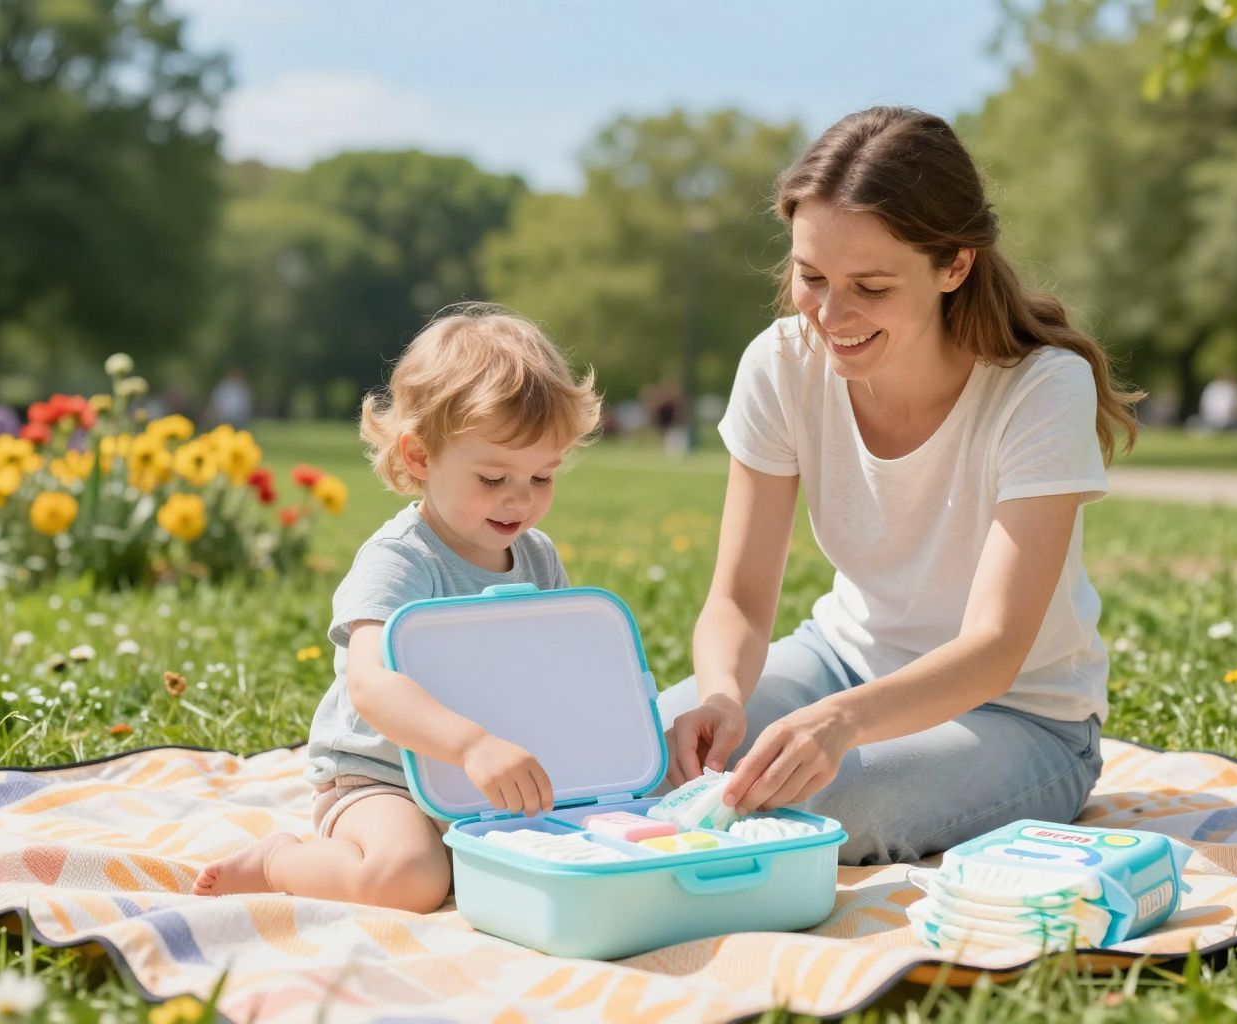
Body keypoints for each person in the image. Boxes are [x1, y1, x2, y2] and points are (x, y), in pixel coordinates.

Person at [656, 107, 1143, 866]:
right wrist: (722, 695)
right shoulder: (781, 365)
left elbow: (994, 648)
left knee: (812, 805)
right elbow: (740, 601)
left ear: (954, 265)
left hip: (1017, 718)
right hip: (840, 663)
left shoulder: (1041, 389)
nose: (831, 315)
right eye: (811, 277)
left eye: (871, 287)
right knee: (656, 753)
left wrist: (841, 724)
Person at [192, 304, 601, 910]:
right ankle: (280, 860)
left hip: (485, 778)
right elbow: (373, 686)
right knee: (411, 879)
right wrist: (470, 746)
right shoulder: (402, 560)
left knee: (593, 851)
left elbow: (553, 667)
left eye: (542, 477)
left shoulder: (536, 558)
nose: (521, 500)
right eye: (493, 478)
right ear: (419, 457)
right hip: (384, 778)